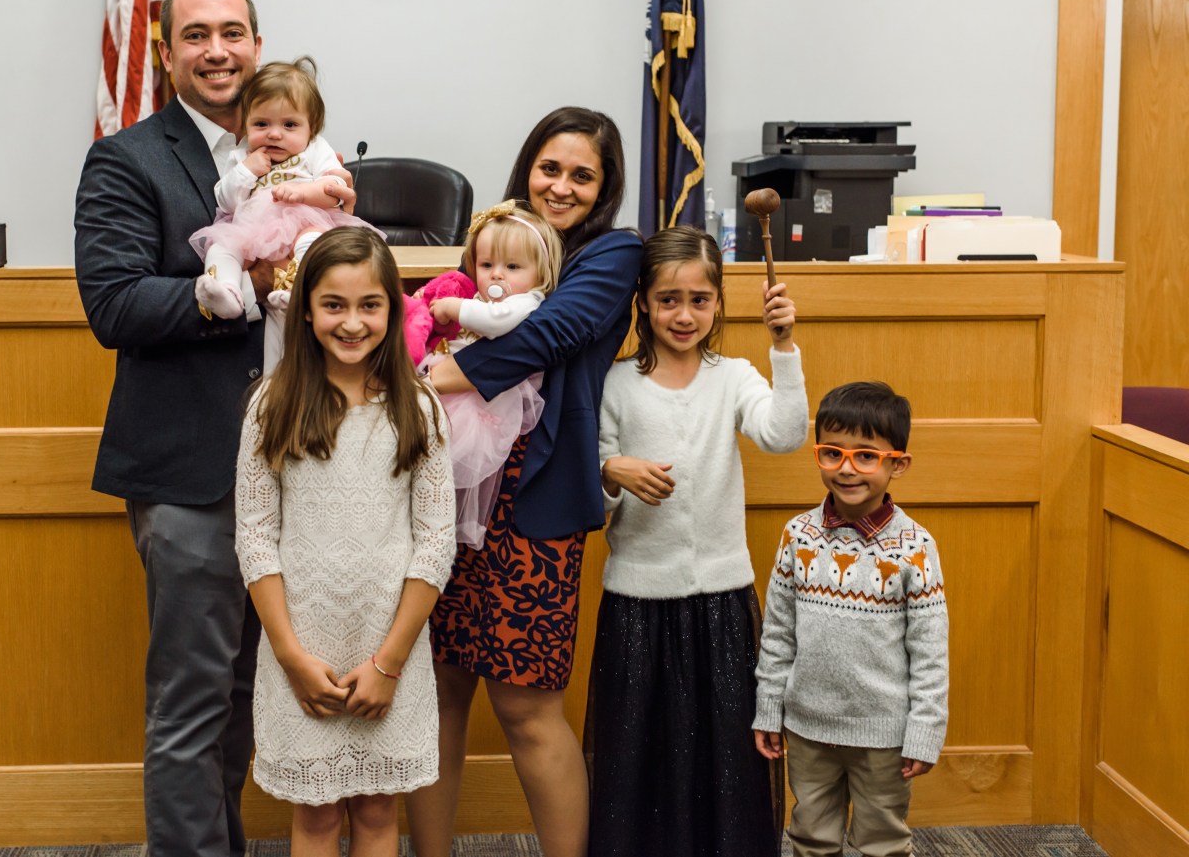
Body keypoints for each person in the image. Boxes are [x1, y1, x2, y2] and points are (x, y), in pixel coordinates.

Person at [73, 0, 352, 857]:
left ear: (257, 46)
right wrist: (232, 291)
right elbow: (114, 304)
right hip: (189, 472)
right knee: (191, 701)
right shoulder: (129, 159)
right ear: (165, 53)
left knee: (245, 692)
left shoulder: (300, 151)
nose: (218, 49)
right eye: (196, 35)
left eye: (234, 32)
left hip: (293, 473)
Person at [407, 107, 642, 857]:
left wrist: (450, 373)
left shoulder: (611, 253)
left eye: (583, 174)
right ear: (526, 169)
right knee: (437, 694)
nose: (562, 186)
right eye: (550, 168)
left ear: (605, 189)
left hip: (533, 500)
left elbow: (551, 329)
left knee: (526, 705)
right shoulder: (489, 243)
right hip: (441, 496)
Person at [235, 227, 456, 856]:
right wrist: (290, 657)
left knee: (381, 812)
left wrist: (388, 664)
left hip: (390, 647)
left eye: (369, 305)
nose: (352, 322)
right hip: (301, 648)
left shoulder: (419, 406)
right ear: (305, 309)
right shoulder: (271, 405)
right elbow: (254, 536)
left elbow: (436, 542)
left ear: (393, 307)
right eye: (334, 304)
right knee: (316, 818)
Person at [587, 225, 806, 856]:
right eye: (668, 299)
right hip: (636, 604)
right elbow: (593, 484)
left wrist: (783, 346)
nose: (684, 315)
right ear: (644, 304)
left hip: (722, 604)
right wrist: (612, 470)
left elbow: (784, 434)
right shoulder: (616, 382)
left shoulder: (733, 375)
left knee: (725, 759)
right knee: (639, 760)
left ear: (719, 304)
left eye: (700, 299)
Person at [753, 381, 949, 857]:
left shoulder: (915, 547)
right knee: (810, 833)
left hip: (884, 733)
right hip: (808, 727)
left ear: (896, 464)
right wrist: (768, 708)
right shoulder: (797, 536)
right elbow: (778, 634)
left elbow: (929, 651)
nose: (847, 468)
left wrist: (924, 731)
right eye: (832, 453)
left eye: (866, 456)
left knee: (881, 838)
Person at [417, 200, 564, 548]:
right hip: (449, 389)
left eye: (512, 266)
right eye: (486, 264)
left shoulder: (528, 301)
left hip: (481, 403)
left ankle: (440, 530)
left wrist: (456, 308)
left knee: (448, 472)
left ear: (540, 274)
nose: (497, 274)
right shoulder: (483, 299)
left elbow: (494, 325)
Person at [189, 56, 377, 324]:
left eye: (289, 125)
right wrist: (246, 171)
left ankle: (305, 288)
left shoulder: (315, 148)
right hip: (251, 229)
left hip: (303, 219)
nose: (274, 134)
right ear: (246, 123)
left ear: (311, 127)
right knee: (220, 247)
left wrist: (304, 194)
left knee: (313, 241)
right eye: (261, 124)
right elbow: (226, 203)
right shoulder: (243, 153)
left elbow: (335, 188)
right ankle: (228, 293)